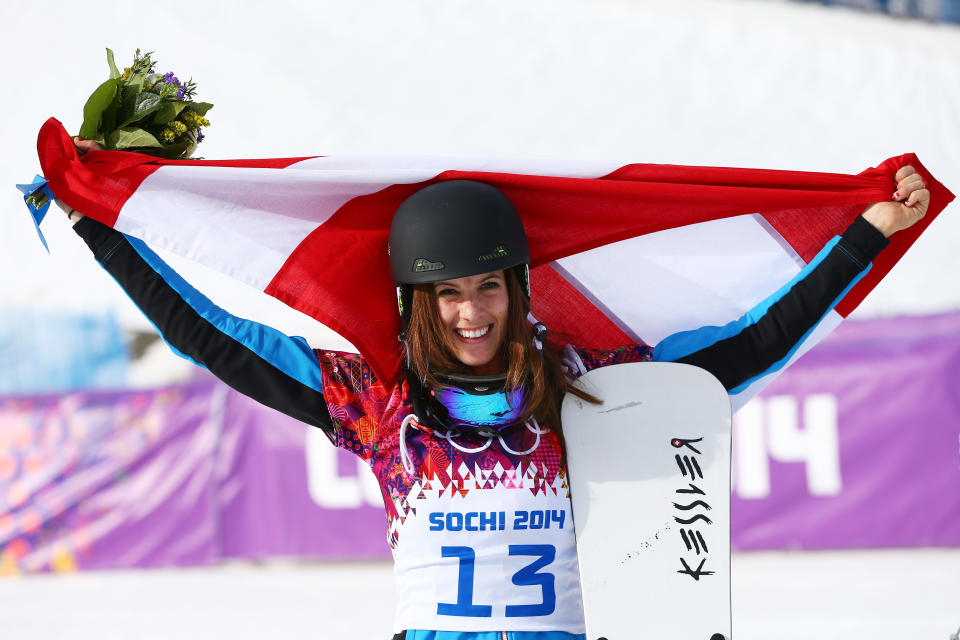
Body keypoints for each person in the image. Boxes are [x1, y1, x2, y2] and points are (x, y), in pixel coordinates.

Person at [60, 138, 928, 640]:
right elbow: (211, 335)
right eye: (447, 293)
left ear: (517, 291)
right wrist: (101, 227)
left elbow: (755, 344)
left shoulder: (593, 389)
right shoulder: (379, 401)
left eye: (486, 288)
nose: (470, 313)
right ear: (417, 303)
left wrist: (865, 236)